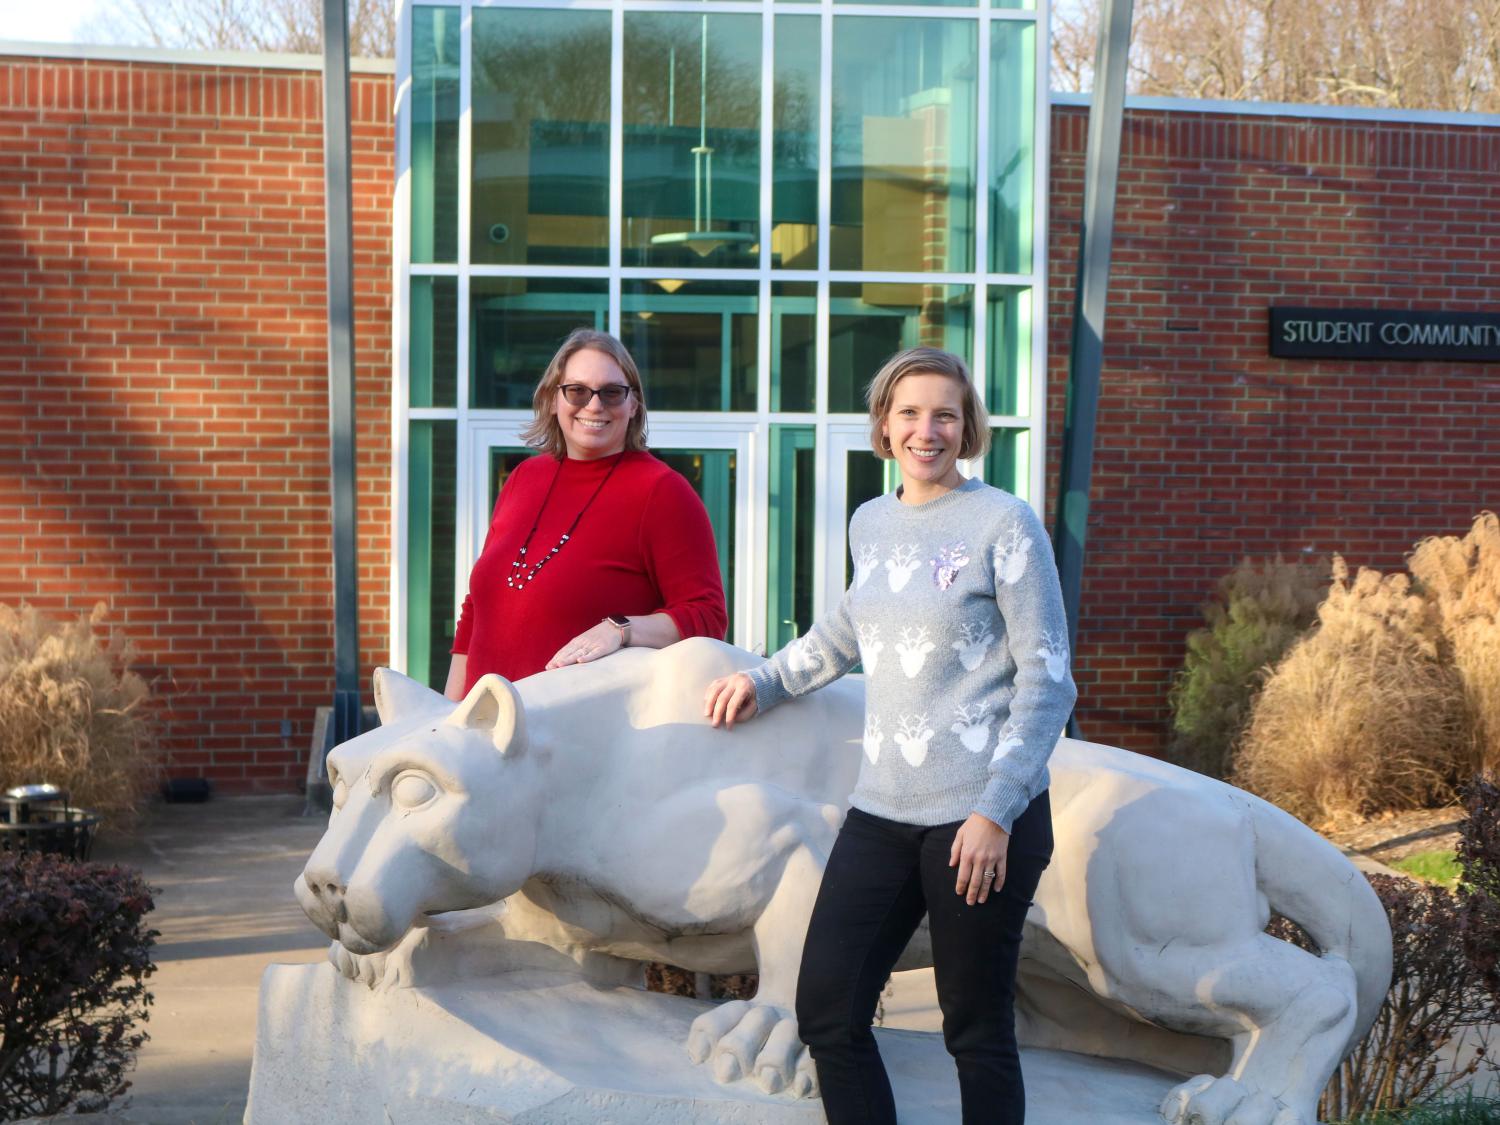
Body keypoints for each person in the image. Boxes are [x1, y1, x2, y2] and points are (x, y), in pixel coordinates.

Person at [703, 347, 1076, 1124]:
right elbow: (843, 633)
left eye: (944, 413)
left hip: (980, 819)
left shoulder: (1004, 524)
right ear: (884, 424)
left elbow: (1047, 681)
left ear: (966, 425)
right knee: (827, 1010)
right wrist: (762, 679)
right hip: (883, 810)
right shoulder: (870, 523)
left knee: (974, 1028)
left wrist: (995, 811)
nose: (926, 429)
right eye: (909, 412)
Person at [446, 328, 727, 699]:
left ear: (634, 406)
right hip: (483, 733)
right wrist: (445, 717)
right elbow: (475, 613)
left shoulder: (663, 492)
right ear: (552, 399)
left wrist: (620, 630)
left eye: (612, 393)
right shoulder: (523, 479)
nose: (594, 406)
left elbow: (707, 618)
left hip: (578, 738)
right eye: (577, 391)